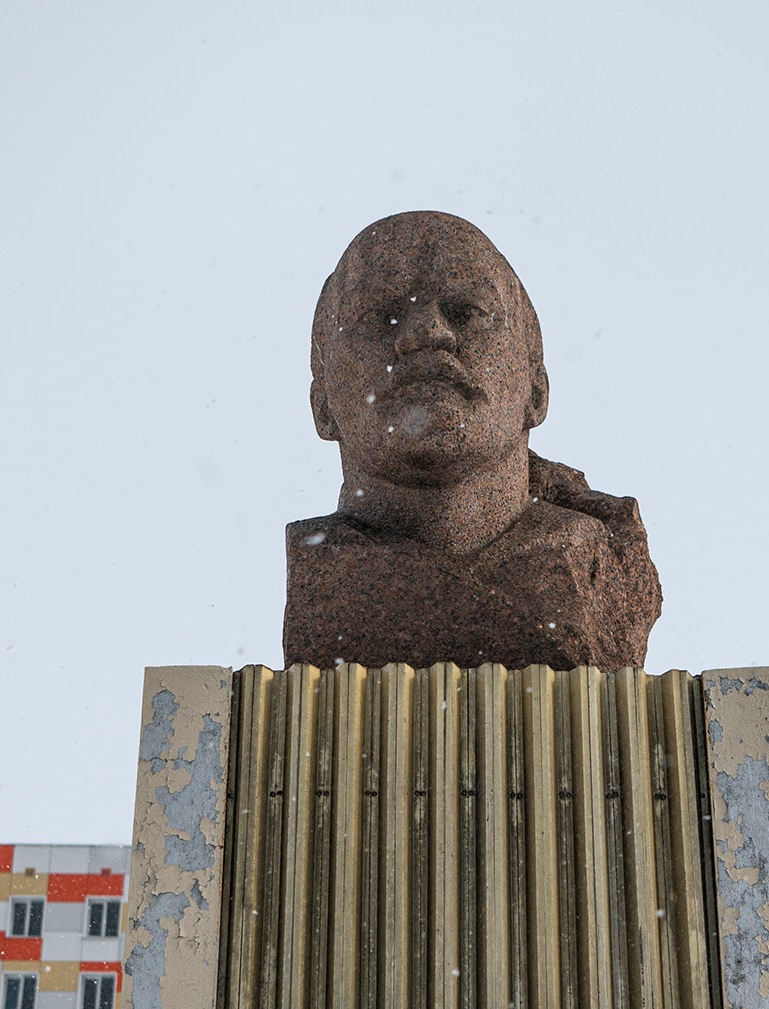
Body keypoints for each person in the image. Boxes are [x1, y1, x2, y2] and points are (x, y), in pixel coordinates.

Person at [284, 211, 662, 671]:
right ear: (321, 403)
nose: (427, 333)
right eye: (379, 314)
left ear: (536, 388)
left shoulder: (591, 560)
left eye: (468, 311)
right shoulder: (323, 580)